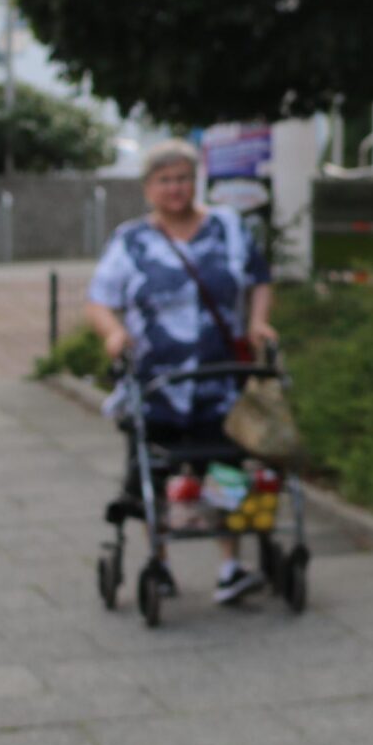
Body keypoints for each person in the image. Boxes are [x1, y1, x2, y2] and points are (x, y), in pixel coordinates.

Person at [87, 139, 277, 605]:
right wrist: (113, 333)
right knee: (156, 474)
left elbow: (259, 278)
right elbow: (100, 299)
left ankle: (230, 566)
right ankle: (161, 562)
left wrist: (257, 322)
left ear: (196, 182)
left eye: (183, 178)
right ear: (149, 188)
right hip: (157, 385)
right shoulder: (131, 240)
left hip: (220, 381)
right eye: (164, 180)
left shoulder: (229, 228)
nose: (175, 188)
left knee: (226, 470)